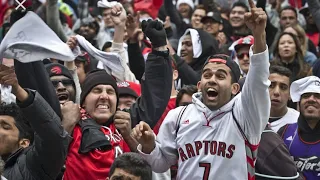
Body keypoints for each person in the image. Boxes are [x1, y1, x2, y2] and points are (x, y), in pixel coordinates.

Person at [132, 0, 270, 179]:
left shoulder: (246, 114)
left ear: (235, 88)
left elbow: (258, 79)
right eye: (207, 75)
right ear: (199, 84)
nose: (212, 79)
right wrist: (149, 145)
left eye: (220, 76)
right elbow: (161, 164)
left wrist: (259, 35)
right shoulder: (179, 115)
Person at [62, 5, 173, 180]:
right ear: (82, 102)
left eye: (110, 92)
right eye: (96, 90)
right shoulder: (71, 125)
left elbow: (154, 95)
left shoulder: (126, 123)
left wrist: (159, 49)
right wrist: (64, 128)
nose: (104, 96)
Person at [0, 64, 72, 180]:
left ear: (24, 143)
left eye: (5, 126)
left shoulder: (32, 166)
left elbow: (53, 138)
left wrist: (18, 90)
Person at [279, 76, 320, 179]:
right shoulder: (284, 132)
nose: (311, 99)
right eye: (306, 96)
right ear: (298, 104)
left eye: (317, 96)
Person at [268, 65, 299, 132]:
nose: (276, 92)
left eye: (283, 87)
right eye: (271, 86)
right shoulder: (249, 118)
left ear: (290, 94)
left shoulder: (298, 121)